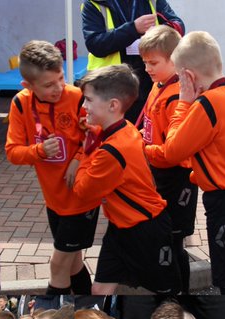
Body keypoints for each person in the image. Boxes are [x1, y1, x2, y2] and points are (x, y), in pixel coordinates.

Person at [147, 31, 225, 295]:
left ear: (188, 76)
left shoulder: (207, 104)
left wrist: (184, 102)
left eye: (179, 76)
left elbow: (172, 151)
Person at [68, 64, 180, 295]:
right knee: (100, 290)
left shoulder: (111, 152)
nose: (84, 106)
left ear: (113, 105)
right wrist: (93, 135)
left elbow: (82, 190)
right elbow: (105, 138)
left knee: (167, 294)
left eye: (88, 100)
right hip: (121, 228)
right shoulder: (125, 127)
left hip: (145, 230)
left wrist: (85, 152)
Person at [5, 40, 97, 294]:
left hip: (81, 197)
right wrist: (39, 151)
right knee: (73, 263)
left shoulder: (78, 96)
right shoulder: (20, 103)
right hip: (54, 199)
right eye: (49, 85)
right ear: (28, 85)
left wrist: (77, 159)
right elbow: (12, 152)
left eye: (61, 78)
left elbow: (96, 137)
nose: (58, 88)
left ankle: (54, 317)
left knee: (58, 265)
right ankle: (88, 310)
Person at [136, 25, 195, 294]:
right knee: (161, 239)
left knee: (173, 241)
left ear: (175, 60)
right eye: (145, 62)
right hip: (157, 171)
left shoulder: (177, 95)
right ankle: (167, 288)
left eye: (153, 62)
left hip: (176, 177)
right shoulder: (157, 85)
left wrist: (143, 148)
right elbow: (153, 127)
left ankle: (178, 291)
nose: (147, 68)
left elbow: (175, 148)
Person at [81, 0, 185, 121]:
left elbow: (177, 25)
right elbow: (95, 44)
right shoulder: (94, 3)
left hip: (149, 84)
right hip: (112, 87)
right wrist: (133, 29)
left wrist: (159, 33)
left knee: (147, 132)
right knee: (118, 134)